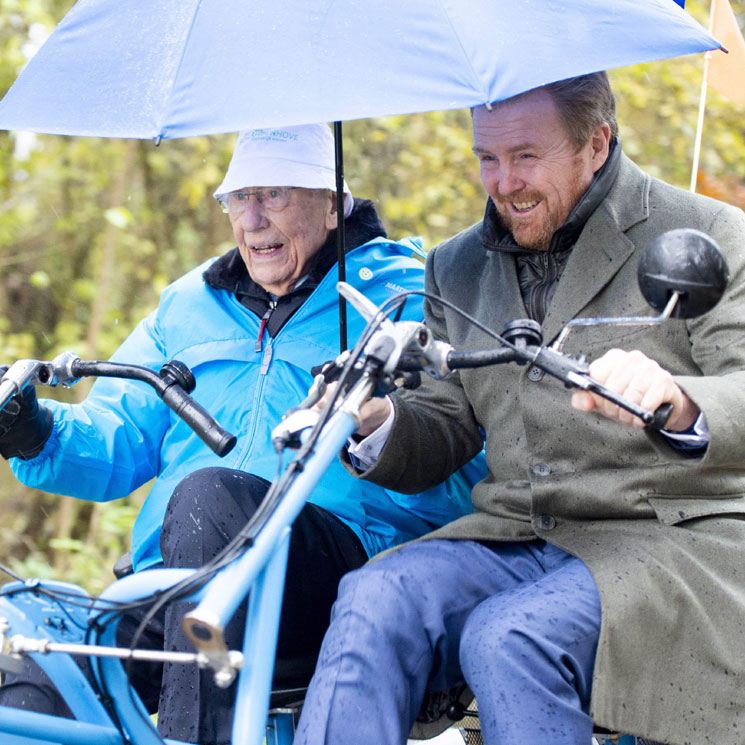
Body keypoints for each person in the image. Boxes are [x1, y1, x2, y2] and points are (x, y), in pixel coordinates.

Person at [294, 73, 745, 745]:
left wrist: (677, 400)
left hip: (668, 538)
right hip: (516, 533)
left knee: (509, 635)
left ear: (595, 144)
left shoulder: (705, 232)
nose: (503, 182)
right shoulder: (455, 265)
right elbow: (444, 425)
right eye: (487, 159)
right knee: (370, 597)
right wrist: (372, 418)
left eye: (525, 156)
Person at [0, 123, 484, 743]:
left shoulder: (407, 296)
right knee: (36, 660)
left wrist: (375, 425)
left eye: (275, 195)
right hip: (180, 579)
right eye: (238, 198)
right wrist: (33, 432)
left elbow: (462, 456)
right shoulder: (188, 303)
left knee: (211, 498)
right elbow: (117, 435)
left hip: (340, 573)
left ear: (333, 203)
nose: (252, 219)